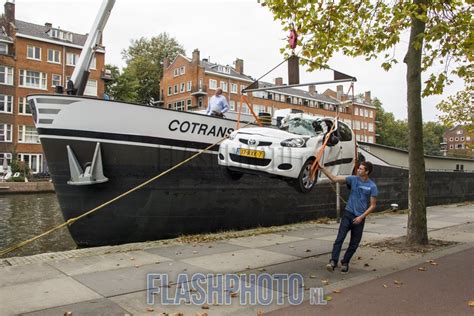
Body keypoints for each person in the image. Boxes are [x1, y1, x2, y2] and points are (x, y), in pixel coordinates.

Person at [319, 161, 378, 274]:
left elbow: (373, 205)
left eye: (361, 169)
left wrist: (361, 217)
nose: (358, 170)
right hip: (348, 214)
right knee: (339, 239)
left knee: (354, 244)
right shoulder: (353, 179)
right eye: (358, 168)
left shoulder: (372, 186)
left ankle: (345, 262)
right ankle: (333, 262)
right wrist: (322, 169)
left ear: (367, 172)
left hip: (359, 218)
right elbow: (334, 178)